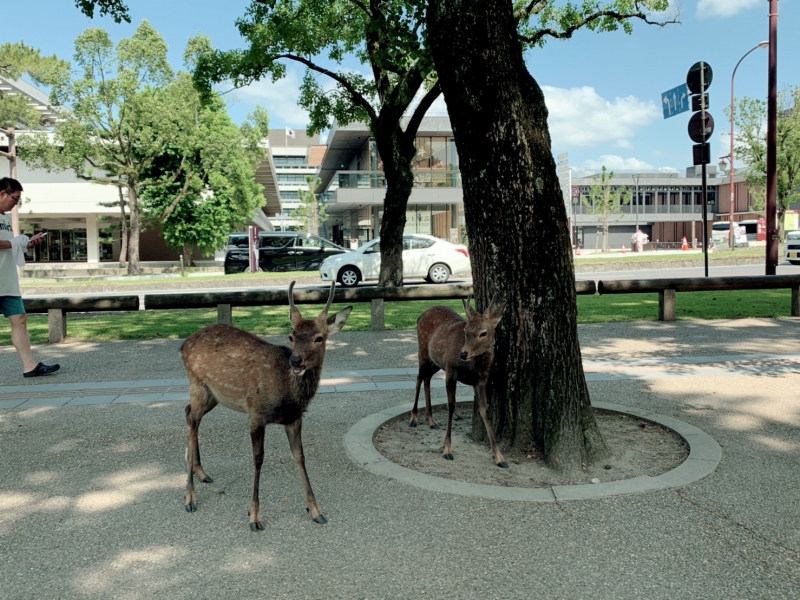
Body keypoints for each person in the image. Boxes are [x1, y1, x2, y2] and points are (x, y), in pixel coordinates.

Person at [0, 177, 60, 378]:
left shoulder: (5, 219)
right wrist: (16, 243)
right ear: (2, 194)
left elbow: (9, 245)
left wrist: (25, 244)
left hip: (7, 280)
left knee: (20, 319)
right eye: (15, 198)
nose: (16, 203)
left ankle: (30, 366)